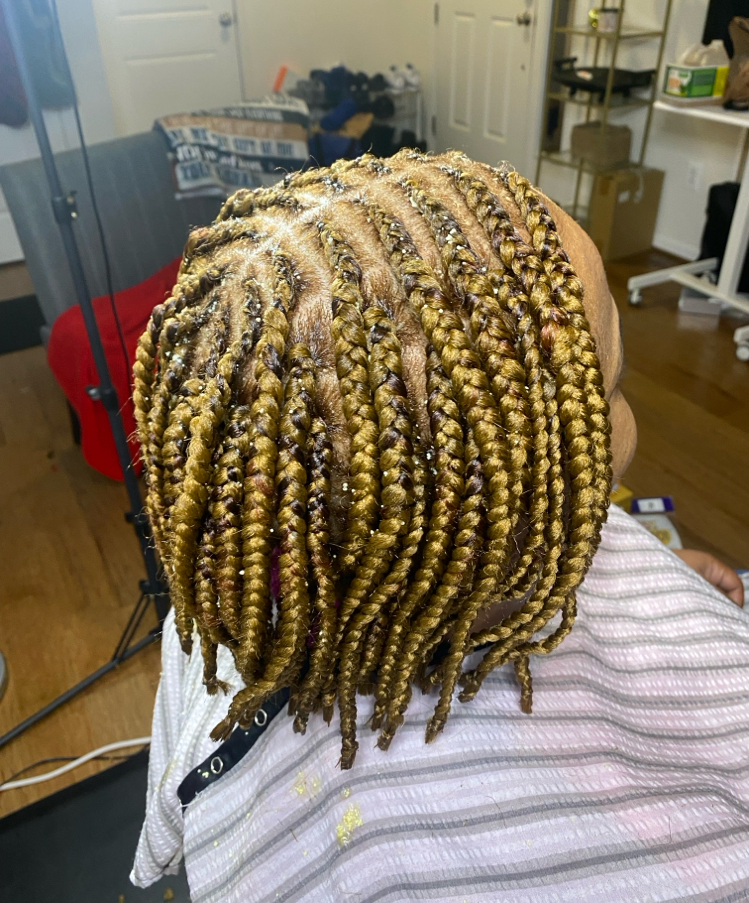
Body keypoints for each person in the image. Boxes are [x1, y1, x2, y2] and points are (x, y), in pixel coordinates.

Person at [131, 152, 749, 902]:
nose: (626, 420)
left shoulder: (237, 579)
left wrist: (660, 570)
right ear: (495, 528)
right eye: (611, 392)